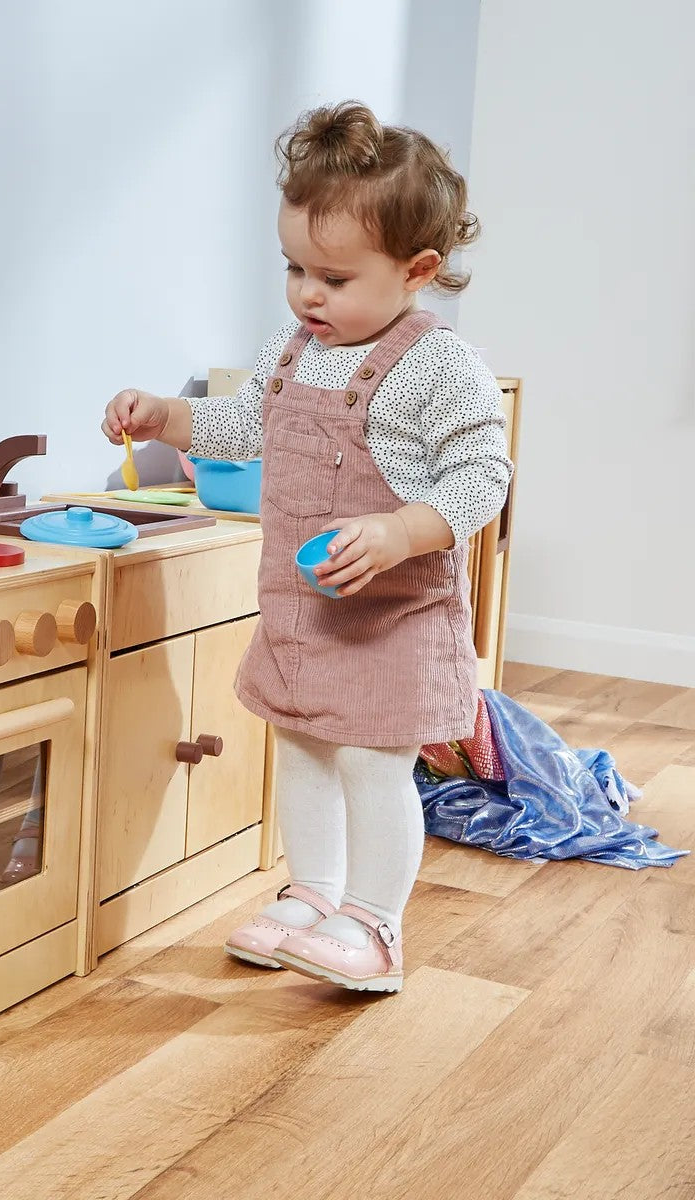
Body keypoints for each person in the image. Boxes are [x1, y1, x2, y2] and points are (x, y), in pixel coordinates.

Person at [101, 101, 512, 993]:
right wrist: (165, 416)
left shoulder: (440, 365)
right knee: (303, 750)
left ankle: (375, 923)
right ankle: (314, 893)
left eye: (333, 276)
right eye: (294, 269)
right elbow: (243, 425)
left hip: (392, 618)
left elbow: (483, 477)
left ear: (417, 270)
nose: (307, 295)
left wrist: (400, 530)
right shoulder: (293, 350)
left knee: (370, 762)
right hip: (302, 613)